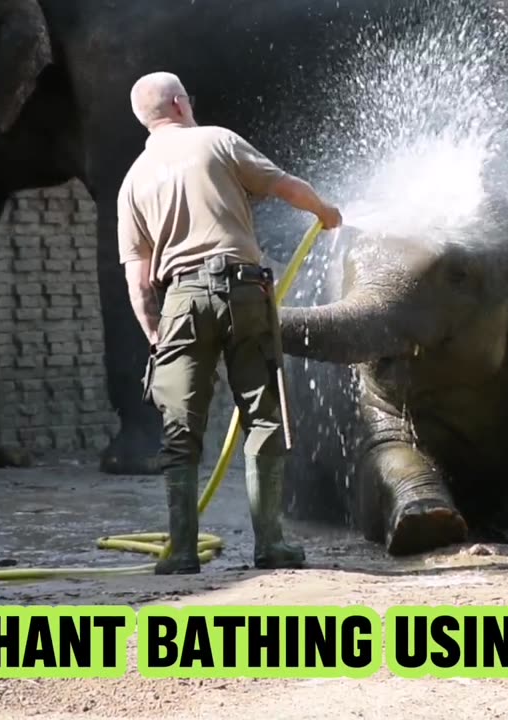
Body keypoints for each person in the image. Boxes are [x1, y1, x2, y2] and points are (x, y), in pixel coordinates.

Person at [116, 71, 342, 574]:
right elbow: (286, 188)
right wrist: (327, 213)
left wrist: (158, 336)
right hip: (242, 290)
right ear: (179, 104)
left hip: (180, 301)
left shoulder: (132, 180)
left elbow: (138, 281)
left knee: (180, 431)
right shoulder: (216, 140)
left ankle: (179, 552)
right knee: (262, 417)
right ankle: (271, 545)